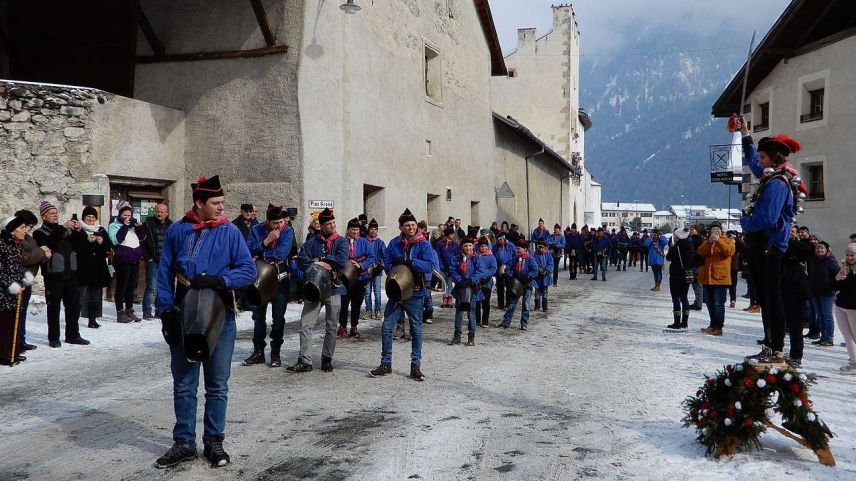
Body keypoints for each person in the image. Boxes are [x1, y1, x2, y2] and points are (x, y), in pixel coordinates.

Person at [154, 175, 256, 469]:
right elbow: (164, 272)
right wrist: (166, 312)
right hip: (184, 312)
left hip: (220, 314)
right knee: (184, 384)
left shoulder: (230, 232)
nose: (222, 208)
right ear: (199, 203)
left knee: (217, 384)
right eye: (216, 203)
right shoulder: (178, 230)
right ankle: (184, 442)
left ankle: (214, 442)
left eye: (223, 203)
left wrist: (221, 280)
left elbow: (248, 269)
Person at [738, 117, 802, 366]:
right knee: (766, 298)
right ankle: (771, 345)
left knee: (771, 298)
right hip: (766, 247)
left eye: (764, 157)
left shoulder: (776, 183)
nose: (760, 162)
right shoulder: (771, 176)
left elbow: (767, 217)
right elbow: (753, 163)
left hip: (769, 247)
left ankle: (775, 347)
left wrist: (745, 222)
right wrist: (745, 135)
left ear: (775, 159)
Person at [370, 208, 437, 381]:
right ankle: (386, 364)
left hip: (415, 293)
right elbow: (386, 261)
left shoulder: (424, 244)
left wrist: (410, 263)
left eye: (413, 225)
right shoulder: (394, 243)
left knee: (416, 329)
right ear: (401, 227)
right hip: (395, 293)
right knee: (386, 327)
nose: (411, 228)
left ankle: (415, 366)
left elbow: (430, 265)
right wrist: (395, 274)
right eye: (407, 225)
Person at [288, 208, 348, 373]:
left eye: (333, 222)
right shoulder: (311, 242)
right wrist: (317, 264)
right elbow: (301, 260)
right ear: (320, 225)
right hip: (313, 289)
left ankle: (327, 358)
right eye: (328, 223)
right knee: (306, 324)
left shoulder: (341, 241)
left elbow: (342, 260)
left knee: (331, 325)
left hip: (334, 289)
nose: (332, 226)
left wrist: (320, 259)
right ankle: (305, 360)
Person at [242, 204, 294, 368]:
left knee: (278, 318)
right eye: (275, 223)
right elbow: (249, 250)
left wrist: (260, 254)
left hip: (279, 277)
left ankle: (275, 353)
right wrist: (266, 241)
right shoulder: (257, 229)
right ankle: (258, 352)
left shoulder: (287, 231)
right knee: (258, 317)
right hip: (260, 278)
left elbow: (281, 254)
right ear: (267, 221)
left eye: (280, 222)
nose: (279, 226)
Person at [33, 201, 90, 348]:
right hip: (53, 276)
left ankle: (73, 335)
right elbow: (49, 243)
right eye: (52, 214)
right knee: (54, 308)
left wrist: (79, 231)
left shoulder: (66, 231)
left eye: (56, 213)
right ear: (43, 216)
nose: (55, 216)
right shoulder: (39, 233)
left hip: (70, 275)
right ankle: (54, 337)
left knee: (74, 306)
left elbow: (83, 246)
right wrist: (62, 228)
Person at [0, 214, 36, 365]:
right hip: (3, 292)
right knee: (4, 324)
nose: (24, 231)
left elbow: (17, 266)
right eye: (21, 228)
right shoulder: (2, 245)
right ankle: (3, 354)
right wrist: (10, 285)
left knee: (12, 322)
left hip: (15, 291)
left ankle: (12, 352)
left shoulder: (15, 245)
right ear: (13, 230)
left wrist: (25, 276)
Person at [779, 226, 813, 366]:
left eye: (792, 231)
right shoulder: (777, 245)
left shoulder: (800, 246)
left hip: (796, 291)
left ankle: (796, 355)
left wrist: (789, 239)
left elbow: (809, 250)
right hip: (779, 288)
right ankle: (776, 351)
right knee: (778, 324)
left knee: (795, 326)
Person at [109, 201, 148, 323]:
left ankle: (130, 311)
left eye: (129, 215)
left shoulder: (132, 227)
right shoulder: (114, 225)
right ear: (120, 215)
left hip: (134, 260)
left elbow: (142, 238)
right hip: (122, 260)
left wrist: (140, 227)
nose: (127, 218)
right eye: (124, 215)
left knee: (131, 287)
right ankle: (120, 313)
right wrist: (125, 226)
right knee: (122, 286)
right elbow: (117, 240)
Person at [13, 209, 45, 353]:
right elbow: (23, 258)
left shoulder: (28, 238)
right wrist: (41, 252)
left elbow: (33, 253)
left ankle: (21, 340)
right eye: (28, 226)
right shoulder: (14, 239)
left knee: (23, 312)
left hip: (27, 279)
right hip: (17, 280)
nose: (28, 230)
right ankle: (15, 344)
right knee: (16, 314)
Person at [337, 217, 375, 340]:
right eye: (352, 230)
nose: (355, 232)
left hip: (360, 277)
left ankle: (354, 326)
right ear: (348, 230)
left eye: (357, 230)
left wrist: (361, 265)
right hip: (345, 278)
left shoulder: (365, 242)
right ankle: (342, 326)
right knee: (343, 303)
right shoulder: (342, 242)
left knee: (356, 304)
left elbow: (371, 257)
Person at [697, 222, 736, 336]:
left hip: (721, 277)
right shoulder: (708, 242)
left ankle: (719, 327)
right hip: (708, 277)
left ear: (721, 231)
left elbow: (728, 252)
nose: (715, 232)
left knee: (719, 303)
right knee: (709, 302)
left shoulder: (728, 241)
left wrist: (718, 240)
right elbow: (700, 252)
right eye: (713, 230)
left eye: (717, 230)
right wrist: (709, 242)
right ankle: (712, 324)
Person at [77, 206, 112, 329]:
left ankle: (92, 319)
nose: (91, 219)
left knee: (94, 296)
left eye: (93, 217)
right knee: (79, 295)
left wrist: (101, 242)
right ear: (84, 218)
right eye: (88, 217)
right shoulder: (79, 229)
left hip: (97, 267)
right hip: (82, 267)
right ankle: (74, 319)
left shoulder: (101, 230)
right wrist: (87, 241)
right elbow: (77, 247)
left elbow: (108, 248)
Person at [449, 237, 483, 346]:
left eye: (470, 246)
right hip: (460, 288)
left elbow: (480, 271)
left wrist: (470, 281)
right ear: (462, 247)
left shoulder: (476, 258)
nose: (468, 248)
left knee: (471, 312)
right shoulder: (456, 258)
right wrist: (460, 281)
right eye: (465, 246)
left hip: (472, 288)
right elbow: (453, 271)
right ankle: (457, 335)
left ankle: (471, 336)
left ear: (473, 246)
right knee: (459, 311)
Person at [499, 239, 538, 330]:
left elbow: (534, 271)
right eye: (517, 249)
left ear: (525, 249)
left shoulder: (530, 259)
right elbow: (508, 269)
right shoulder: (514, 260)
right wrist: (511, 276)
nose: (517, 250)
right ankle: (506, 321)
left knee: (526, 304)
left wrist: (528, 277)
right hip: (516, 285)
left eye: (519, 248)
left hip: (527, 284)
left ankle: (524, 323)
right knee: (512, 303)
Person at [807, 241, 839, 347]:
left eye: (822, 248)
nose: (819, 250)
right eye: (817, 248)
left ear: (827, 250)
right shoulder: (813, 260)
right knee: (820, 316)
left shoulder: (831, 261)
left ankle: (829, 338)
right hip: (815, 292)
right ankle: (823, 337)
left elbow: (836, 277)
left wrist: (831, 287)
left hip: (827, 293)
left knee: (827, 316)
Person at [143, 202, 172, 320]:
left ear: (166, 213)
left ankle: (160, 311)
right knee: (151, 286)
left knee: (162, 286)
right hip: (152, 259)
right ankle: (147, 311)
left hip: (165, 261)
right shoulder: (148, 223)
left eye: (161, 212)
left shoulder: (171, 225)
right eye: (157, 211)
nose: (159, 214)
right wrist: (148, 257)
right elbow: (143, 242)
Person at [666, 227, 695, 330]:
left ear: (678, 236)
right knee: (684, 297)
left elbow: (668, 258)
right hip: (687, 274)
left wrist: (671, 246)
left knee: (676, 298)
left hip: (676, 274)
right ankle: (685, 322)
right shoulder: (691, 245)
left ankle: (677, 322)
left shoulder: (676, 246)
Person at [834, 243, 856, 374]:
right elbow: (834, 286)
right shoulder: (844, 269)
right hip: (841, 306)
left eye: (852, 255)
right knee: (847, 338)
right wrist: (837, 279)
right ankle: (854, 363)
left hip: (854, 308)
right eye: (848, 255)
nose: (849, 257)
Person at [363, 218, 387, 321]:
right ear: (369, 230)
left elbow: (385, 255)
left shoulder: (380, 242)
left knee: (377, 292)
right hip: (366, 270)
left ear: (377, 231)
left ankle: (378, 311)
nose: (373, 231)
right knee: (367, 291)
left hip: (377, 270)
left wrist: (379, 264)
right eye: (371, 229)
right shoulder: (364, 241)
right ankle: (368, 311)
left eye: (375, 229)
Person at [475, 237, 497, 327]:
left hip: (487, 282)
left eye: (485, 246)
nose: (483, 248)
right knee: (476, 302)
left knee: (486, 302)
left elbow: (493, 268)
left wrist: (484, 274)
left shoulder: (491, 257)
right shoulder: (476, 256)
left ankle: (485, 321)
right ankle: (477, 320)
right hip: (476, 282)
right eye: (482, 246)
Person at [435, 226, 460, 308]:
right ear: (447, 235)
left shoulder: (455, 245)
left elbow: (456, 256)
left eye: (453, 234)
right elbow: (438, 255)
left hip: (451, 267)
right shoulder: (440, 244)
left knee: (449, 283)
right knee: (443, 283)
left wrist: (453, 266)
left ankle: (449, 298)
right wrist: (441, 266)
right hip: (443, 267)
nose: (453, 236)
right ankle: (444, 298)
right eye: (452, 234)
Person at [493, 233, 514, 310]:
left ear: (503, 239)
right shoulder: (495, 247)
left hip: (508, 267)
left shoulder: (510, 246)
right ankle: (500, 304)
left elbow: (514, 256)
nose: (499, 241)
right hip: (499, 267)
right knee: (500, 287)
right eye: (498, 240)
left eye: (501, 240)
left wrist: (511, 266)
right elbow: (493, 256)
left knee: (509, 286)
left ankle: (508, 303)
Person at [687, 226, 705, 310]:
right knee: (695, 284)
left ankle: (698, 303)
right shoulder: (691, 239)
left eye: (692, 229)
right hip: (692, 264)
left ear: (697, 231)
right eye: (690, 229)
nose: (690, 231)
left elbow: (698, 253)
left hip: (696, 265)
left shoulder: (698, 240)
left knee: (697, 284)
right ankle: (697, 302)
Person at [533, 241, 553, 312]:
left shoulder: (548, 255)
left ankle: (545, 306)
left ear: (545, 248)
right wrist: (539, 269)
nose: (541, 249)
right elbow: (534, 263)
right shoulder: (535, 255)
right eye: (539, 247)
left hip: (546, 276)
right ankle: (537, 305)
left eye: (542, 248)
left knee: (545, 291)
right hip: (538, 276)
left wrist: (547, 270)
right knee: (537, 291)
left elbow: (550, 263)